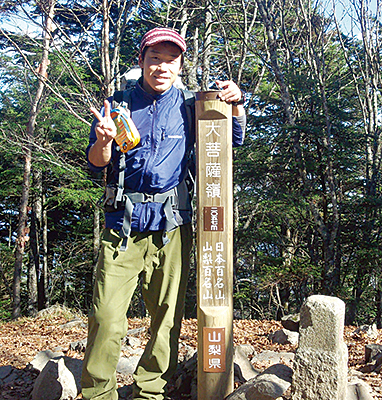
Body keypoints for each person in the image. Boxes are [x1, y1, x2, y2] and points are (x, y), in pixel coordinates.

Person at [81, 27, 246, 400]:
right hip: (122, 223)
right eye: (154, 58)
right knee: (107, 315)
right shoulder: (117, 105)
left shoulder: (192, 104)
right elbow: (95, 163)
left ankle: (150, 392)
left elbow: (232, 138)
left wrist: (235, 101)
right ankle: (97, 393)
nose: (161, 66)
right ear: (141, 61)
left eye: (170, 60)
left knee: (167, 318)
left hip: (172, 224)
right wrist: (104, 141)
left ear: (180, 66)